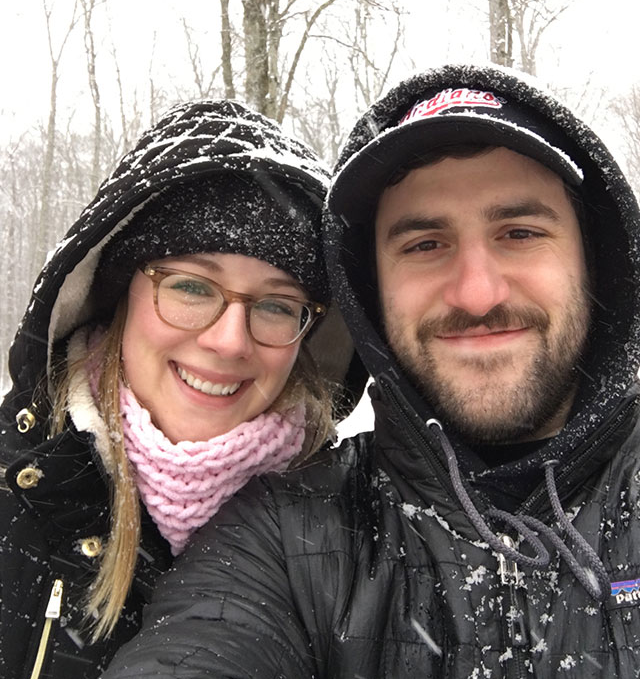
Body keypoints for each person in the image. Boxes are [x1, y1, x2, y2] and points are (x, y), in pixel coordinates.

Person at [102, 64, 640, 678]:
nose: (477, 293)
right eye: (424, 245)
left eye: (519, 232)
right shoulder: (281, 532)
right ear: (371, 295)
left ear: (595, 261)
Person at [0, 98, 351, 679]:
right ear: (121, 295)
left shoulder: (353, 533)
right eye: (192, 288)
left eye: (274, 305)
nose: (230, 342)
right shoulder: (19, 496)